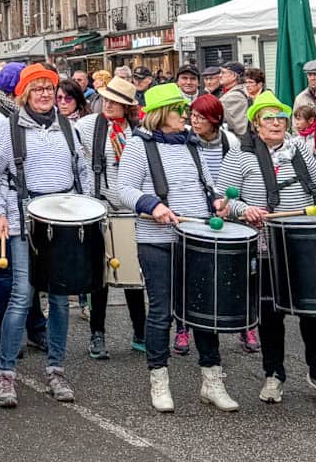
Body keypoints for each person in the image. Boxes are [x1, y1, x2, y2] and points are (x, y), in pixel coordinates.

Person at [116, 82, 238, 414]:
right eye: (178, 109)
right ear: (160, 114)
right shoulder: (139, 146)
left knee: (203, 312)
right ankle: (159, 380)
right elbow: (123, 187)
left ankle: (212, 381)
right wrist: (152, 205)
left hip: (196, 237)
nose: (185, 115)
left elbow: (206, 183)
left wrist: (217, 201)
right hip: (157, 240)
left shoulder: (192, 144)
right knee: (162, 311)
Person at [220, 91, 316, 405]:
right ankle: (274, 374)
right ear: (255, 123)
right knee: (270, 314)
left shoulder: (299, 149)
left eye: (280, 118)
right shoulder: (240, 153)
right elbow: (223, 200)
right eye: (269, 118)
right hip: (264, 244)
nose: (277, 123)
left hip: (303, 240)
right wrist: (243, 210)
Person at [0, 62, 89, 409]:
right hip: (23, 222)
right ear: (25, 94)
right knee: (22, 295)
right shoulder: (10, 130)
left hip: (65, 221)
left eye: (49, 88)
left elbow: (83, 170)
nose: (44, 94)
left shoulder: (69, 130)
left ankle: (56, 369)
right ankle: (6, 373)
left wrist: (88, 206)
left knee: (59, 298)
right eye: (37, 88)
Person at [0, 63, 48, 350]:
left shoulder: (12, 114)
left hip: (22, 207)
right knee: (6, 274)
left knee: (27, 274)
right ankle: (6, 334)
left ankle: (33, 327)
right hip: (2, 206)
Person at [76, 74, 145, 359]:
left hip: (131, 210)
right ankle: (97, 334)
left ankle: (140, 332)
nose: (108, 104)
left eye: (115, 101)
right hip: (100, 208)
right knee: (99, 279)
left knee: (132, 277)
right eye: (106, 98)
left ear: (128, 106)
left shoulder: (137, 132)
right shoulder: (87, 126)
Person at [186, 95, 257, 355]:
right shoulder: (186, 139)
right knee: (194, 273)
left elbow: (237, 177)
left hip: (227, 209)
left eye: (200, 116)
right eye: (192, 115)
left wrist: (231, 205)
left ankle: (245, 326)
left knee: (236, 272)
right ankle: (183, 328)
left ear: (215, 119)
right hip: (198, 211)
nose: (194, 120)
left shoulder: (231, 141)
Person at [218, 63, 250, 137]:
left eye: (223, 72)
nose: (219, 76)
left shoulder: (234, 96)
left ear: (234, 76)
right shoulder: (241, 90)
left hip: (237, 141)